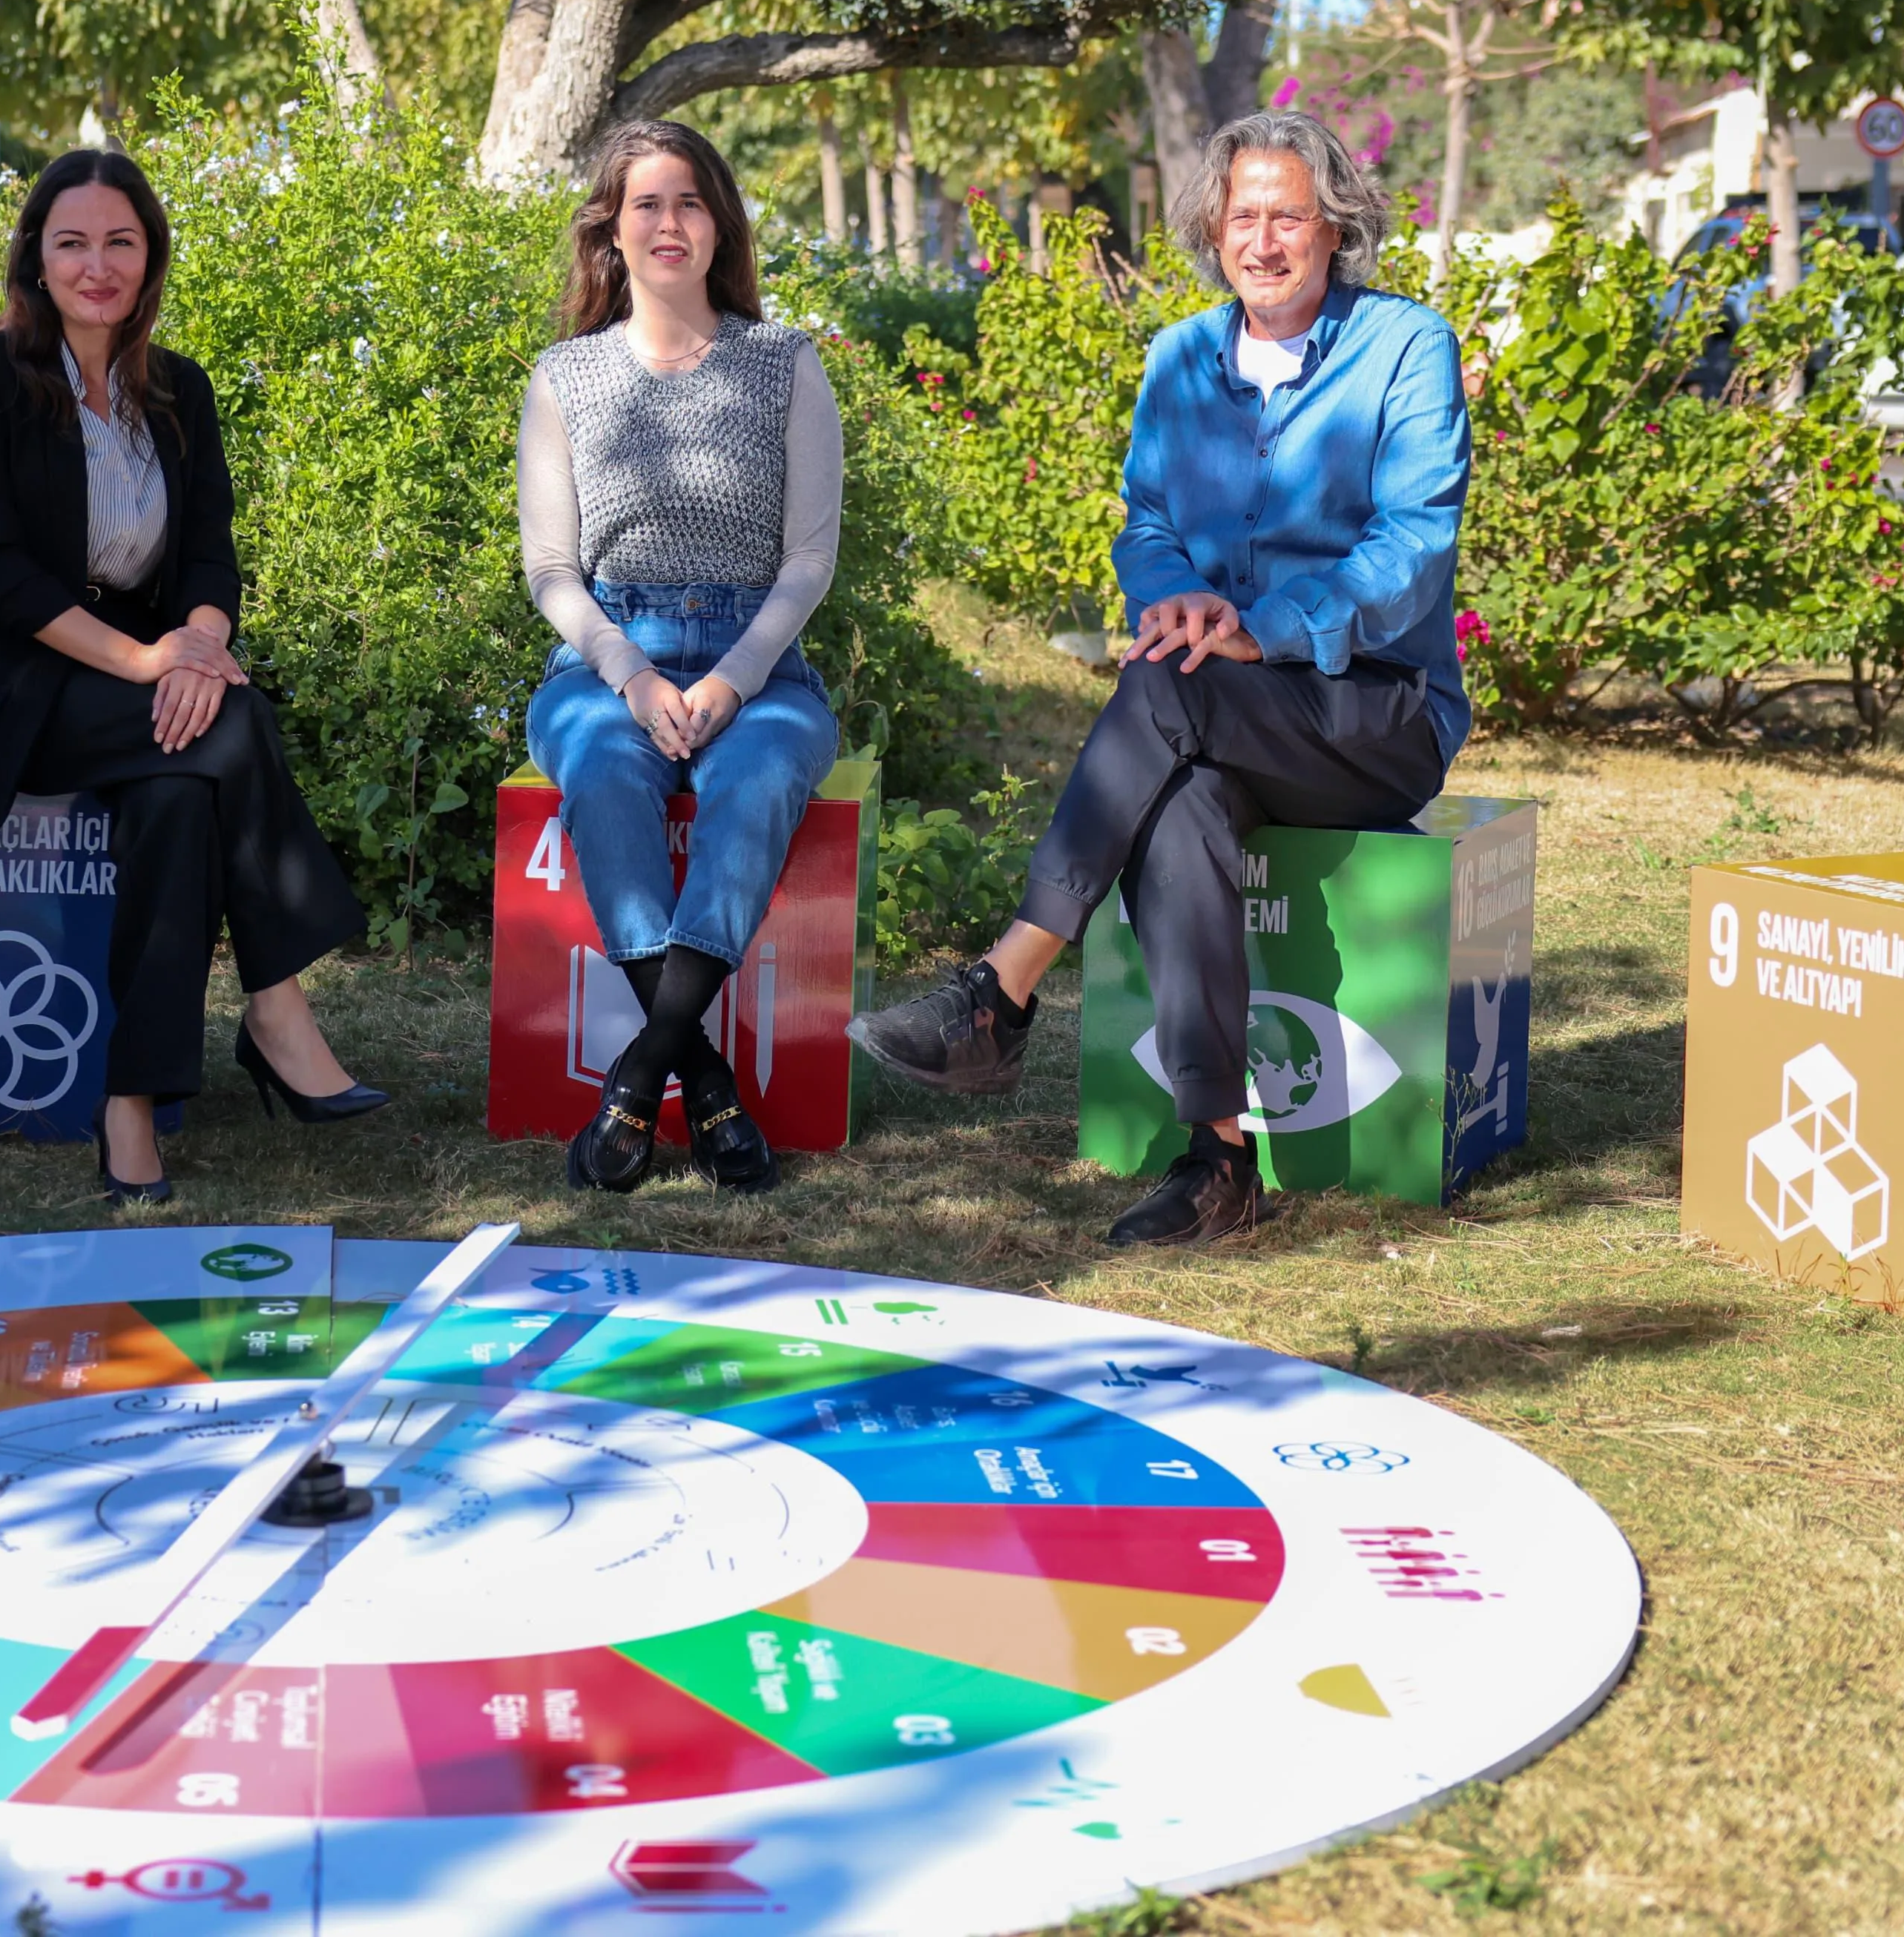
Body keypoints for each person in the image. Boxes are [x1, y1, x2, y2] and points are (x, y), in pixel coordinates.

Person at [849, 107, 1469, 1248]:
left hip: (1372, 711)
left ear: (1336, 227)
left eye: (1290, 215)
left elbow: (1413, 545)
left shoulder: (1404, 347)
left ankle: (1002, 988)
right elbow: (1146, 524)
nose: (1266, 239)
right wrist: (1177, 597)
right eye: (1244, 215)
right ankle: (1219, 1158)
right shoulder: (1180, 358)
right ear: (1212, 230)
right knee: (1179, 795)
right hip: (1219, 711)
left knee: (1165, 687)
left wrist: (1262, 626)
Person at [0, 148, 386, 1205]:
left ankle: (130, 1102)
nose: (96, 264)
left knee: (179, 793)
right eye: (71, 241)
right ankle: (276, 1008)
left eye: (120, 241)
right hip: (12, 684)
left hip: (144, 685)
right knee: (233, 727)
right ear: (35, 254)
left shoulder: (178, 387)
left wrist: (201, 639)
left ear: (150, 255)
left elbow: (211, 551)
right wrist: (151, 657)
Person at [521, 118, 843, 1196]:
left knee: (755, 785)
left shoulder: (785, 364)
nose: (669, 222)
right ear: (611, 228)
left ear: (720, 223)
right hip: (609, 660)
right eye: (646, 203)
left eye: (691, 200)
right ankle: (700, 1081)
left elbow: (809, 559)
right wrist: (635, 676)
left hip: (760, 662)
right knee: (606, 778)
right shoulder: (565, 377)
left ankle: (636, 1079)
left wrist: (730, 681)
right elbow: (551, 570)